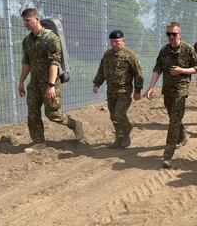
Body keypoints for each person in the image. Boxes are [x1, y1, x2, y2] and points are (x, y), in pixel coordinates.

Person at [18, 8, 84, 151]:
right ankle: (39, 142)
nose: (26, 24)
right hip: (34, 83)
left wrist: (51, 85)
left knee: (52, 114)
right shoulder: (27, 41)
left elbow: (55, 62)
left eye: (28, 20)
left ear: (37, 19)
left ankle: (74, 124)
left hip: (50, 82)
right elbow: (26, 63)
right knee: (33, 112)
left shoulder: (50, 38)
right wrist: (21, 82)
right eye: (24, 21)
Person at [146, 22, 197, 168]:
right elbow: (157, 69)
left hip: (181, 90)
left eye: (174, 34)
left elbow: (196, 68)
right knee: (174, 116)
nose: (171, 37)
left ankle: (167, 155)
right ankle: (182, 136)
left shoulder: (188, 49)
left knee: (174, 120)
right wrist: (151, 87)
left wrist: (182, 70)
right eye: (168, 34)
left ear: (179, 34)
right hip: (168, 90)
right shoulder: (164, 50)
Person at [92, 30, 143, 148]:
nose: (114, 44)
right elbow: (101, 70)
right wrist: (97, 84)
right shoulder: (107, 55)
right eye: (112, 42)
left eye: (117, 41)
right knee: (113, 116)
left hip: (124, 91)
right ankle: (118, 138)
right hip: (111, 91)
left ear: (123, 41)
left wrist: (138, 90)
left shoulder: (129, 55)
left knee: (119, 114)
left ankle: (126, 134)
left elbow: (138, 73)